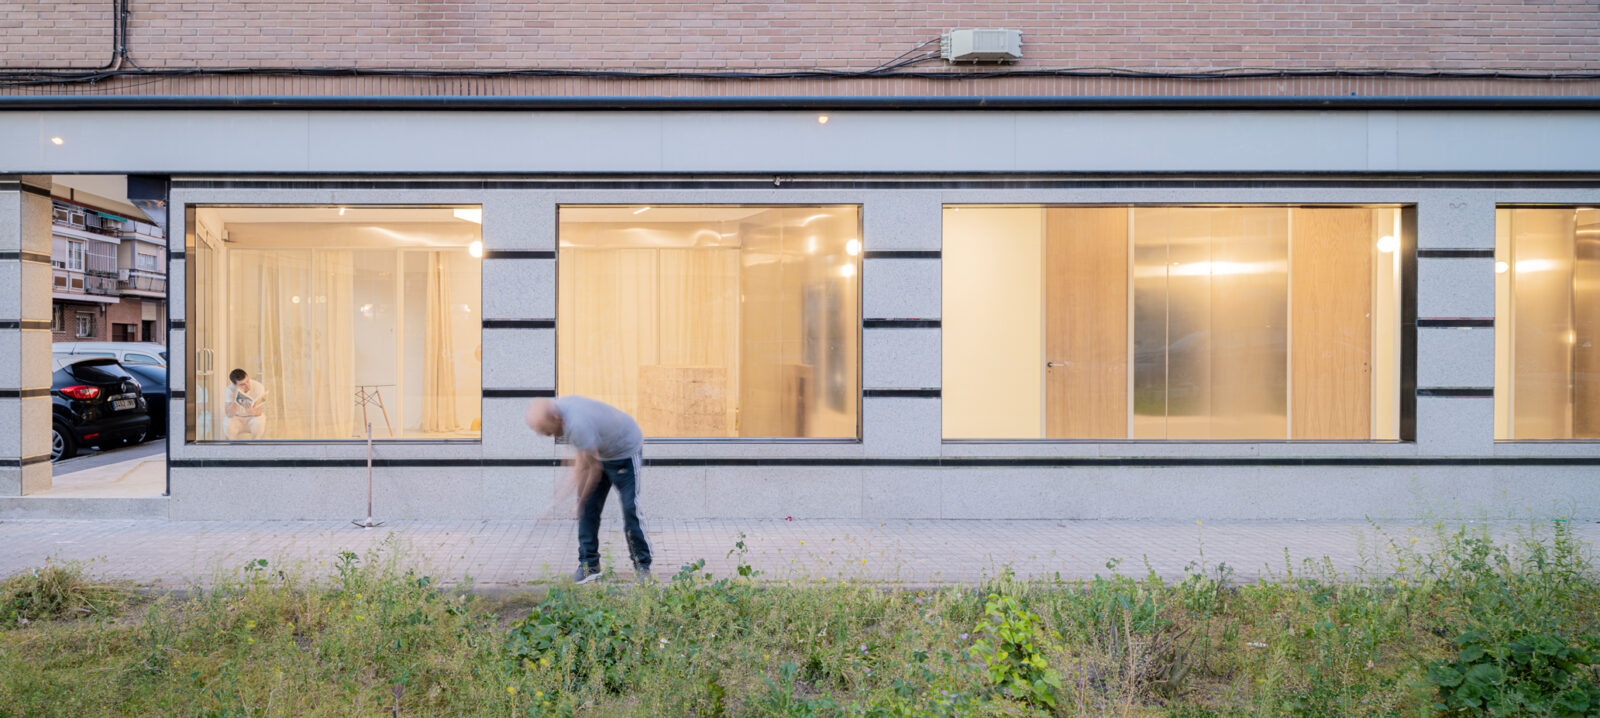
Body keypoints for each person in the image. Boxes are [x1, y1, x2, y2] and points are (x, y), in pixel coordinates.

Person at [525, 396, 652, 584]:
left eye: (547, 431)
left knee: (629, 508)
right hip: (600, 453)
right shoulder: (561, 414)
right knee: (585, 509)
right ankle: (589, 565)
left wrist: (579, 500)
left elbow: (593, 469)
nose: (547, 435)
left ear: (555, 418)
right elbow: (579, 463)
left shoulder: (576, 423)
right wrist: (557, 502)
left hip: (624, 451)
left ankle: (642, 566)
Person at [224, 368, 268, 440]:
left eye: (247, 381)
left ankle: (255, 443)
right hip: (237, 418)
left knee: (259, 421)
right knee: (227, 422)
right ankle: (233, 444)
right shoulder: (230, 390)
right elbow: (229, 414)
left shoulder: (258, 386)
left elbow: (259, 412)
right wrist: (238, 398)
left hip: (252, 417)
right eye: (242, 384)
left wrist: (252, 411)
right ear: (234, 384)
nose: (247, 385)